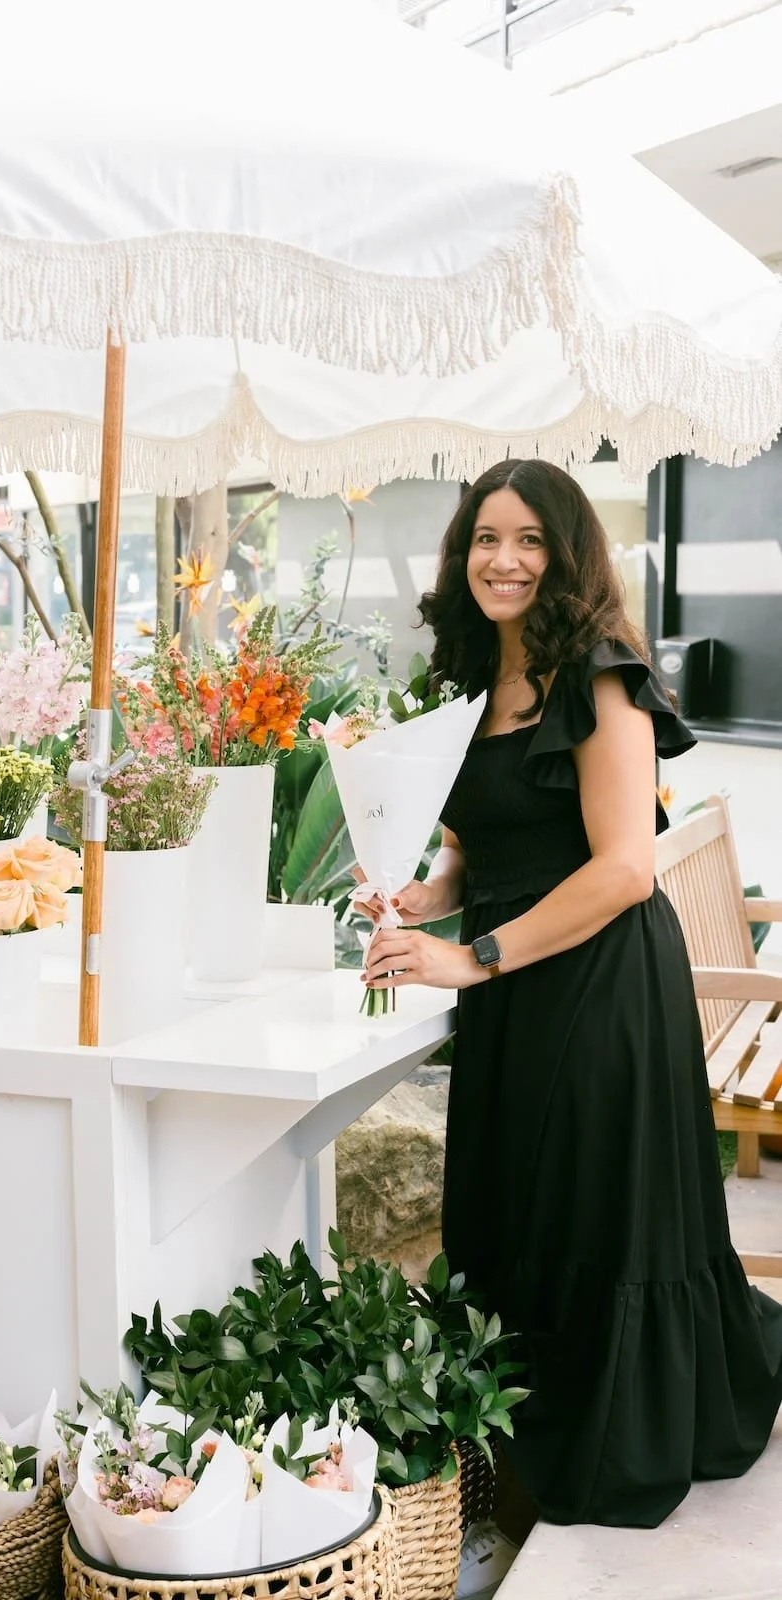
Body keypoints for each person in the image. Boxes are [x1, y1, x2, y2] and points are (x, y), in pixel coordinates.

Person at [358, 460, 782, 1529]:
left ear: (567, 554)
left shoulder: (599, 675)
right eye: (484, 538)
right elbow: (483, 832)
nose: (504, 560)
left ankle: (613, 1440)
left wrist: (473, 955)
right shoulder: (469, 676)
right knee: (520, 1218)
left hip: (595, 988)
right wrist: (437, 889)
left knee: (591, 1219)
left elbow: (622, 869)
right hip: (514, 987)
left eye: (529, 540)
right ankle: (518, 1432)